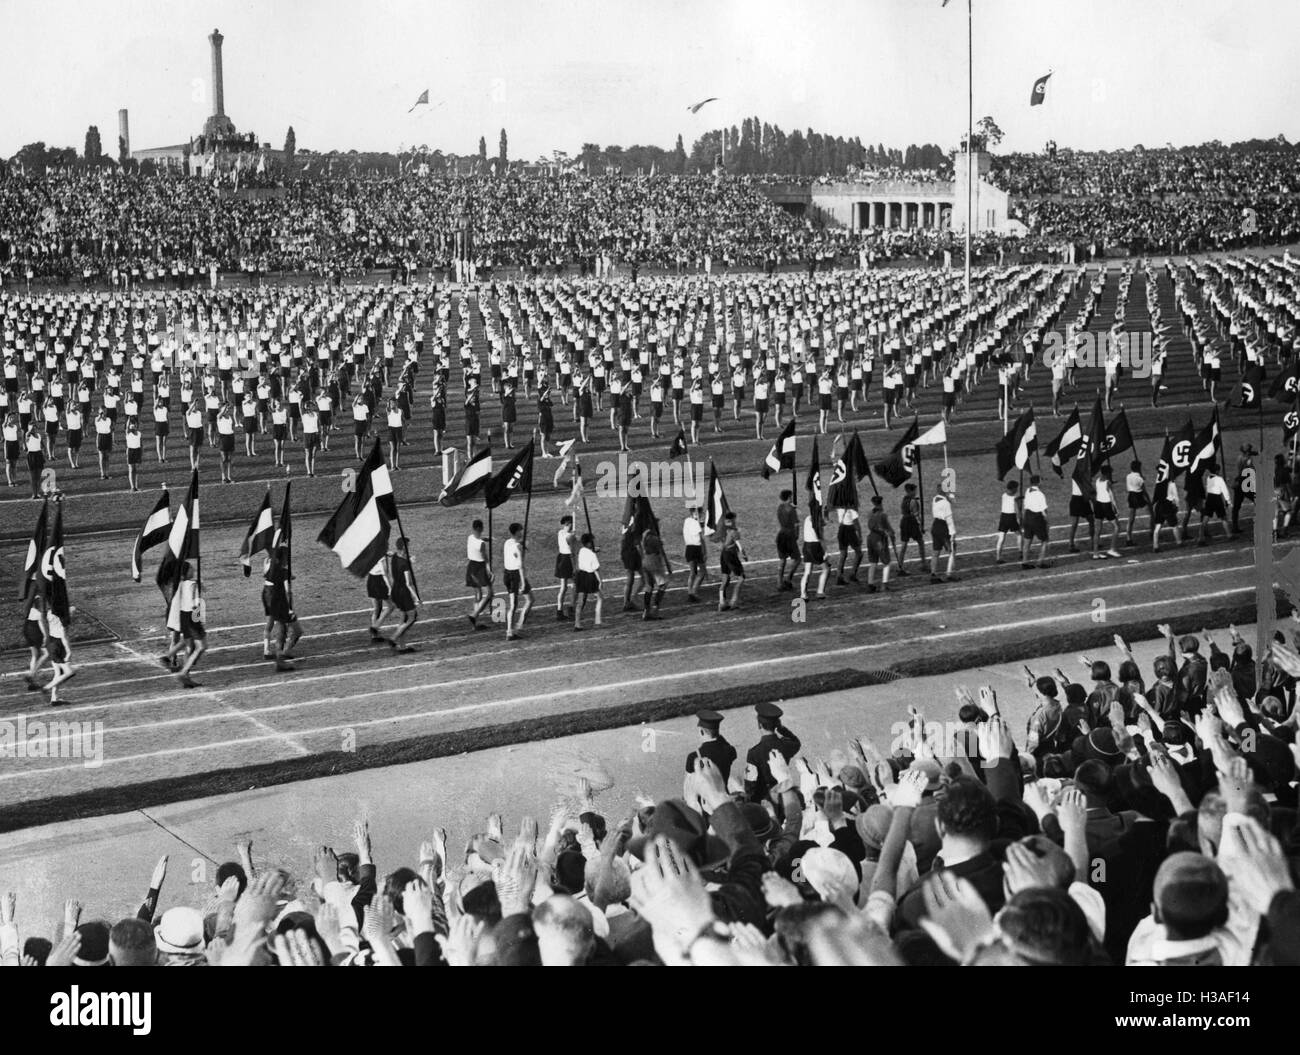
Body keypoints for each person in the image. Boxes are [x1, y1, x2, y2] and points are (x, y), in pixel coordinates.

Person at [743, 702, 800, 803]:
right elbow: (796, 742)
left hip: (765, 799)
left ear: (759, 725)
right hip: (784, 793)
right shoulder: (786, 745)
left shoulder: (754, 753)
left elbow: (750, 783)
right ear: (776, 725)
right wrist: (782, 729)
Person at [162, 561, 207, 689]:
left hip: (184, 616)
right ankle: (183, 672)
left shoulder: (181, 584)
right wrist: (199, 618)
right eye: (191, 569)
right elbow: (195, 603)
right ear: (186, 572)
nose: (193, 570)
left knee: (187, 642)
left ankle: (170, 657)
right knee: (201, 646)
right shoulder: (193, 584)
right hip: (193, 617)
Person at [261, 546, 298, 672]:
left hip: (267, 593)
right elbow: (287, 591)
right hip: (276, 597)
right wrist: (289, 608)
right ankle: (282, 655)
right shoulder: (282, 572)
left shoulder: (268, 564)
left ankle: (269, 650)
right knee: (283, 627)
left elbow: (267, 576)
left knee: (272, 624)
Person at [386, 537, 420, 651]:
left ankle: (402, 647)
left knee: (403, 617)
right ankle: (394, 638)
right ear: (404, 547)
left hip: (395, 590)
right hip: (403, 592)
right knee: (412, 617)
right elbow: (408, 583)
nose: (409, 547)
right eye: (408, 546)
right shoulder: (404, 564)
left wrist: (409, 559)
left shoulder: (395, 557)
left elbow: (392, 554)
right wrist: (416, 598)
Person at [685, 710, 736, 782]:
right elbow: (726, 744)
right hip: (724, 792)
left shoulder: (693, 757)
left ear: (702, 732)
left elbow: (689, 785)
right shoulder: (730, 751)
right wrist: (718, 736)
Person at [502, 522, 533, 641]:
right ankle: (518, 626)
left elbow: (517, 548)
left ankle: (509, 631)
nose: (522, 532)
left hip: (507, 574)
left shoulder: (507, 542)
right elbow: (521, 565)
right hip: (516, 576)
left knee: (513, 604)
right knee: (530, 600)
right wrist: (523, 582)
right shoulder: (518, 546)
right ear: (516, 532)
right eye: (521, 530)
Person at [465, 519, 494, 630]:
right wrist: (489, 570)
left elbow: (478, 539)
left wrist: (486, 539)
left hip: (471, 567)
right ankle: (474, 615)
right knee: (489, 593)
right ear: (479, 528)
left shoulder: (470, 537)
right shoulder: (481, 544)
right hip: (480, 568)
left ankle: (474, 624)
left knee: (478, 593)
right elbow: (485, 558)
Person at [572, 532, 604, 631]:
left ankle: (577, 623)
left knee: (580, 601)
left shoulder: (581, 550)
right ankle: (598, 620)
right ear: (589, 542)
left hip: (581, 576)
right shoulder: (592, 554)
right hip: (590, 577)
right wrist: (600, 581)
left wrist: (594, 551)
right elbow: (596, 569)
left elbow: (587, 552)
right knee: (600, 598)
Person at [639, 522, 670, 620]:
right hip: (654, 562)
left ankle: (646, 611)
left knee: (649, 587)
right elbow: (660, 551)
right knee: (663, 585)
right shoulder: (655, 538)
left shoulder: (644, 536)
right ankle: (655, 609)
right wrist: (667, 565)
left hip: (645, 561)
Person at [1020, 475, 1053, 568]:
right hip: (1037, 518)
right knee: (1045, 540)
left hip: (1027, 517)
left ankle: (1024, 562)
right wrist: (1047, 522)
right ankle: (1040, 561)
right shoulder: (1040, 494)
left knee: (1027, 541)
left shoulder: (1027, 491)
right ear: (1038, 482)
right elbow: (1044, 511)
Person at [864, 495, 894, 593]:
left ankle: (870, 584)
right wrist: (891, 534)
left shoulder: (870, 514)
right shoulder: (882, 514)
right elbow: (888, 528)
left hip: (870, 539)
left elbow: (871, 526)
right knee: (887, 562)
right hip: (879, 540)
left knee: (873, 562)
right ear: (881, 503)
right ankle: (884, 585)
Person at [930, 484, 959, 584]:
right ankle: (949, 574)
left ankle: (933, 574)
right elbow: (949, 519)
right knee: (952, 550)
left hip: (935, 526)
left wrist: (949, 497)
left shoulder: (935, 499)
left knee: (935, 552)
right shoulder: (946, 503)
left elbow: (949, 500)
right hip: (943, 528)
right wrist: (953, 533)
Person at [717, 512, 746, 612]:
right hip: (731, 555)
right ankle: (734, 601)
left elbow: (719, 540)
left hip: (723, 554)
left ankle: (721, 602)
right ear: (733, 519)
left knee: (725, 578)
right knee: (741, 578)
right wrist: (744, 554)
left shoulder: (722, 529)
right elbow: (739, 545)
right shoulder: (734, 532)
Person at [799, 506, 829, 601]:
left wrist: (825, 514)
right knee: (825, 569)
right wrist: (825, 552)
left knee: (807, 572)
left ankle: (803, 594)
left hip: (806, 545)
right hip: (815, 546)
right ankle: (820, 592)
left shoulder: (808, 518)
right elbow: (820, 537)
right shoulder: (817, 520)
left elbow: (824, 523)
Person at [774, 490, 801, 591]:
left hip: (781, 535)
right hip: (789, 536)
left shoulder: (780, 507)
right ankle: (788, 579)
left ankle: (779, 583)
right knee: (797, 559)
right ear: (789, 497)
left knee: (782, 560)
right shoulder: (792, 510)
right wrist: (797, 535)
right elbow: (797, 524)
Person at [897, 482, 925, 575]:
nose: (916, 492)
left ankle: (900, 566)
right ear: (911, 491)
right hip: (911, 523)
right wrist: (921, 526)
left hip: (904, 522)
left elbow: (902, 511)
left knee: (904, 545)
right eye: (915, 490)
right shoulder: (913, 501)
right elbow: (916, 515)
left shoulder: (904, 499)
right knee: (921, 542)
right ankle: (923, 564)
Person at [554, 514, 576, 622]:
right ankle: (571, 608)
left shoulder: (560, 533)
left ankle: (559, 611)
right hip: (568, 560)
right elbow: (572, 553)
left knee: (563, 587)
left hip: (561, 559)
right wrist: (575, 567)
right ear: (568, 524)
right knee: (575, 585)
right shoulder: (570, 536)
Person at [993, 480, 1021, 564]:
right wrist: (1019, 519)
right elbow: (1017, 510)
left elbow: (1011, 496)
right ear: (1013, 489)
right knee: (1019, 534)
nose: (1017, 489)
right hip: (1011, 517)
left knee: (1001, 537)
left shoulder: (1003, 495)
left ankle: (998, 557)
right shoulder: (1015, 497)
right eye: (1016, 488)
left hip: (1003, 517)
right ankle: (1021, 551)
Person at [682, 507, 707, 603]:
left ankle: (689, 592)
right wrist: (704, 552)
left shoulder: (687, 520)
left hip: (688, 548)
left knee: (693, 572)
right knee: (702, 572)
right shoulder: (696, 523)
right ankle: (694, 592)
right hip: (697, 548)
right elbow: (701, 539)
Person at [835, 503, 863, 586]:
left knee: (843, 554)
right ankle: (853, 574)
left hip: (841, 529)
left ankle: (839, 576)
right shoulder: (852, 508)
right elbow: (856, 523)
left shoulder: (839, 506)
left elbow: (827, 508)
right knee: (859, 553)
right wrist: (860, 536)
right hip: (850, 531)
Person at [1124, 459, 1150, 547]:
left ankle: (1128, 538)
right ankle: (1153, 531)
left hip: (1131, 496)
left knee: (1131, 519)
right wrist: (1149, 501)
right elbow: (1144, 491)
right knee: (1151, 513)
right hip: (1139, 496)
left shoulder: (1128, 476)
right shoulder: (1139, 479)